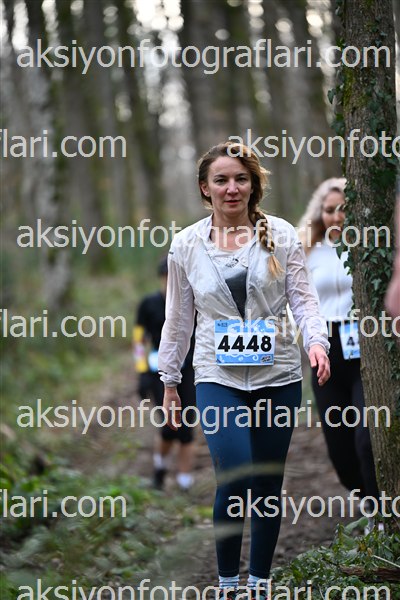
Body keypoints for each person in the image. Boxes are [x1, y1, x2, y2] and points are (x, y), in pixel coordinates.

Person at [158, 142, 330, 600]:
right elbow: (178, 319)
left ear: (253, 185)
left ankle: (259, 582)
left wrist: (317, 342)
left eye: (240, 179)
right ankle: (227, 583)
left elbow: (303, 299)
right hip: (218, 376)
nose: (231, 188)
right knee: (234, 475)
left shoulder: (282, 235)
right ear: (205, 188)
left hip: (279, 376)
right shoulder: (186, 244)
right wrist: (170, 381)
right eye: (221, 180)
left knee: (267, 481)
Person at [298, 178, 379, 512]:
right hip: (325, 348)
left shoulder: (369, 247)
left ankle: (380, 514)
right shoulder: (308, 250)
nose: (336, 216)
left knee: (366, 439)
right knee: (340, 451)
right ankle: (365, 499)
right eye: (329, 210)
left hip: (365, 348)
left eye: (342, 208)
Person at [133, 256, 196, 491]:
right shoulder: (148, 304)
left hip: (189, 369)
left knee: (187, 425)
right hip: (158, 371)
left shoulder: (192, 302)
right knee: (169, 425)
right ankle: (160, 466)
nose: (172, 281)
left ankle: (184, 480)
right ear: (162, 278)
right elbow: (139, 340)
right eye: (168, 277)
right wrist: (141, 372)